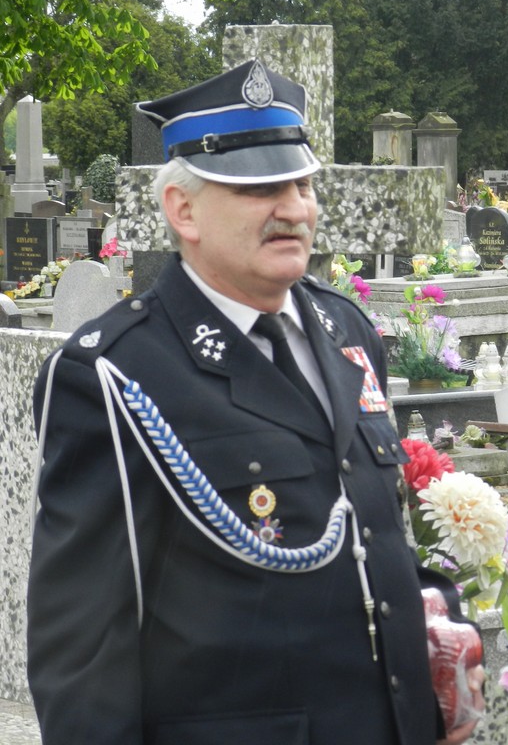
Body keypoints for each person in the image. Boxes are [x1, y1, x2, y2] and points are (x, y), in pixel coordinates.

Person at [27, 60, 482, 745]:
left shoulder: (346, 330)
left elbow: (370, 536)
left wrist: (440, 630)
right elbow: (81, 654)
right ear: (183, 210)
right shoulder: (114, 374)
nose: (293, 209)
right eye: (259, 187)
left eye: (302, 184)